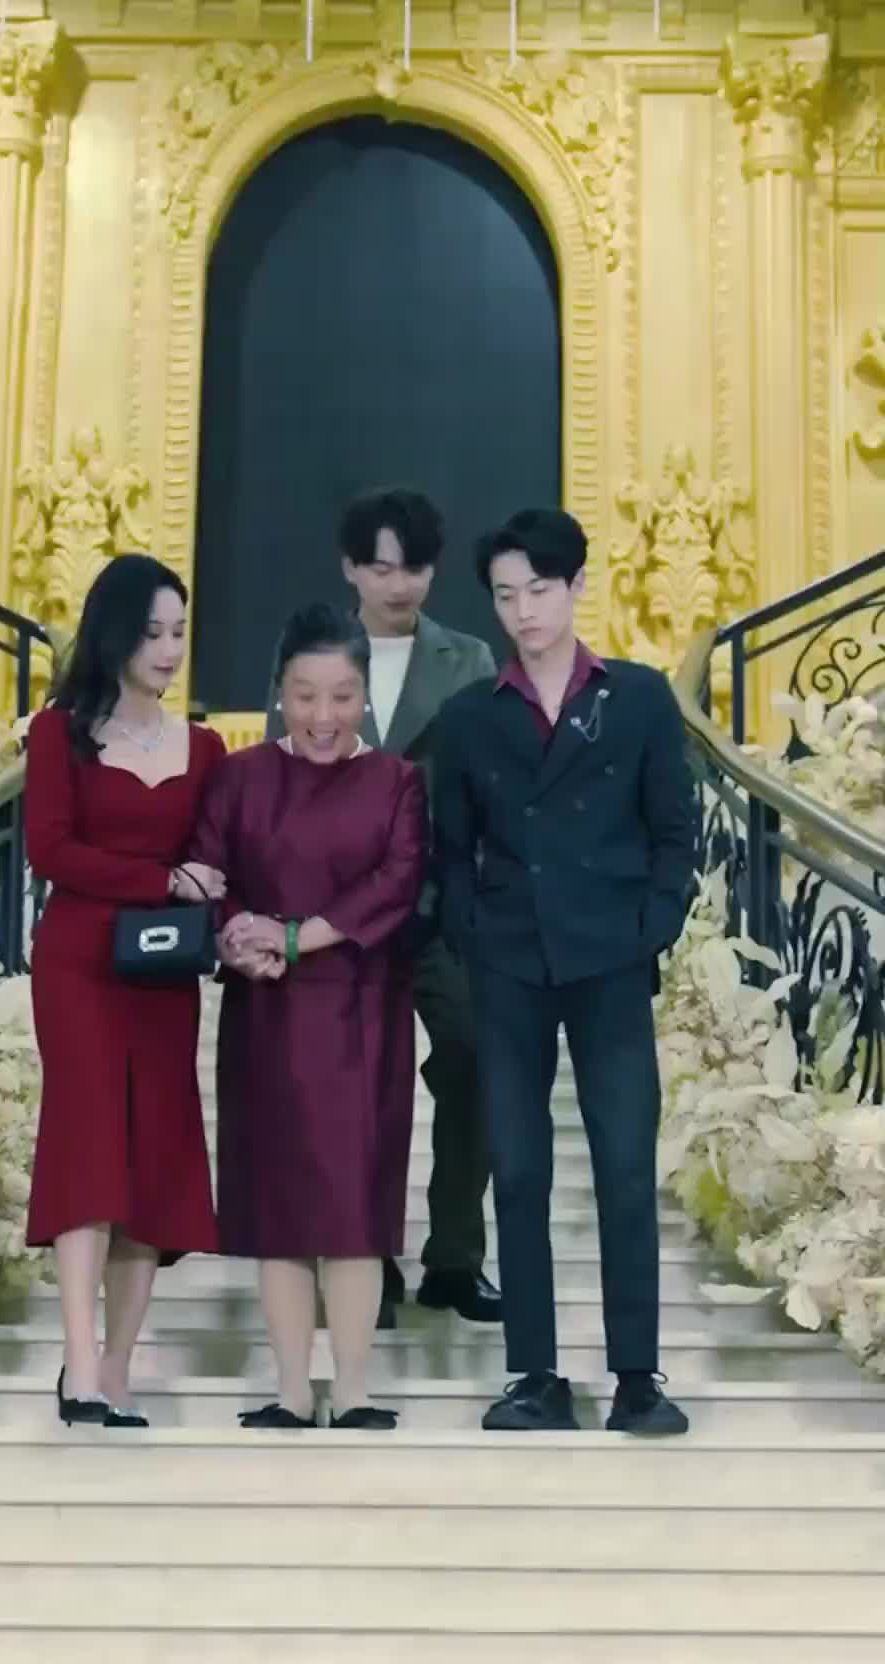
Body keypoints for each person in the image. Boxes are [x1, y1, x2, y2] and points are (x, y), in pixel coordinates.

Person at [433, 507, 697, 1437]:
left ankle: (637, 1377)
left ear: (579, 586)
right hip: (509, 961)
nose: (524, 611)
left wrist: (653, 925)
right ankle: (534, 1374)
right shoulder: (470, 717)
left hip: (612, 958)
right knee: (518, 1169)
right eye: (506, 595)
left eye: (540, 589)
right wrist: (473, 932)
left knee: (625, 1166)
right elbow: (449, 850)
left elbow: (675, 830)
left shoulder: (640, 698)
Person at [265, 488, 499, 1329]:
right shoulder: (316, 656)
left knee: (474, 1059)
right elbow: (281, 775)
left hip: (442, 909)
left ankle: (456, 1259)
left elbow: (489, 784)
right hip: (339, 916)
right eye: (383, 568)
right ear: (351, 568)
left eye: (416, 568)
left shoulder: (470, 659)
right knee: (357, 1088)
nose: (400, 585)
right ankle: (366, 1262)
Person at [191, 603, 428, 1430]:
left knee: (356, 1204)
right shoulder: (241, 776)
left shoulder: (397, 781)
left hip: (363, 1014)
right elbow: (209, 873)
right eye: (304, 695)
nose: (323, 716)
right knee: (279, 1203)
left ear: (365, 695)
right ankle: (292, 1389)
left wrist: (295, 937)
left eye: (342, 696)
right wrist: (236, 938)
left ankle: (354, 1388)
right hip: (267, 1014)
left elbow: (396, 884)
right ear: (279, 692)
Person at [24, 553, 226, 1430]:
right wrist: (162, 880)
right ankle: (78, 1361)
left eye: (178, 632)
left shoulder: (207, 748)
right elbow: (51, 850)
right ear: (113, 633)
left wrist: (208, 895)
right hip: (79, 964)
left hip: (161, 973)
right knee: (89, 1145)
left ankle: (116, 1366)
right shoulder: (59, 732)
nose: (169, 649)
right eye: (152, 633)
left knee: (151, 1154)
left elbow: (218, 858)